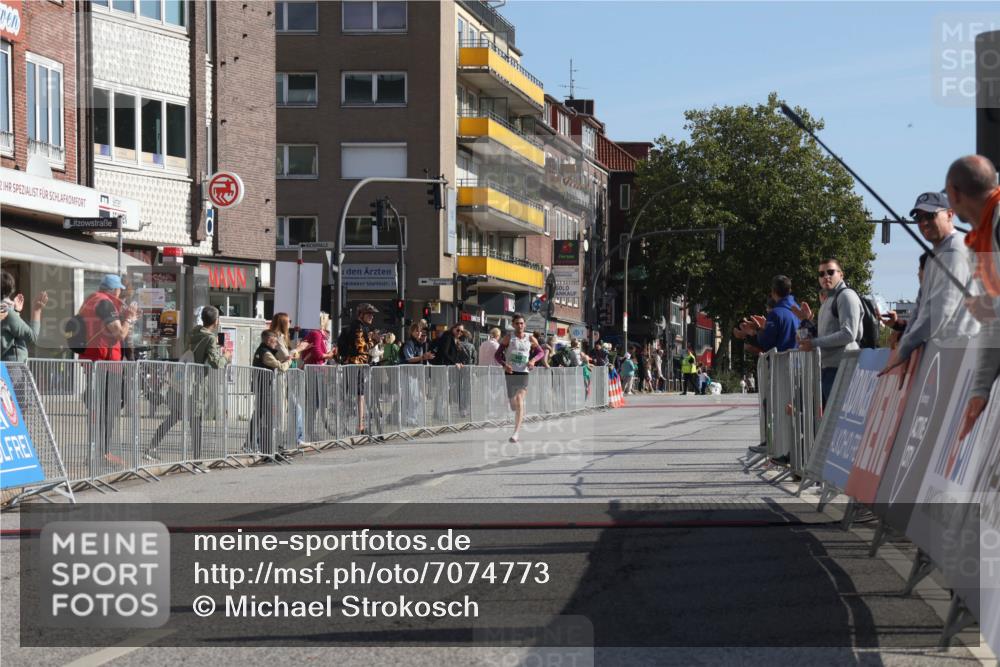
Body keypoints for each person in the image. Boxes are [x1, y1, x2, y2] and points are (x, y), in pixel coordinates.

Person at [881, 192, 980, 379]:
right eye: (919, 218)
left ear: (950, 214)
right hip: (947, 355)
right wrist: (905, 342)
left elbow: (939, 311)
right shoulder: (935, 254)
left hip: (962, 357)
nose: (924, 222)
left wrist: (904, 349)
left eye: (930, 215)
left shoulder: (954, 251)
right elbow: (920, 307)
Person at [944, 156, 1000, 439]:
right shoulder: (984, 236)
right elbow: (993, 324)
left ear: (954, 193)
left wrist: (992, 308)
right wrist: (980, 390)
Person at [145, 306, 230, 461]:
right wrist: (226, 356)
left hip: (182, 380)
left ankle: (151, 447)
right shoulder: (210, 338)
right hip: (195, 384)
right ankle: (197, 460)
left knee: (174, 416)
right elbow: (216, 363)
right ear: (216, 321)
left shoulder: (192, 333)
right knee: (196, 420)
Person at [796, 259, 863, 407]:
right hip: (830, 369)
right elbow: (826, 333)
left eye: (830, 272)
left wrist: (813, 343)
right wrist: (806, 324)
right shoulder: (828, 300)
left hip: (842, 369)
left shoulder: (846, 296)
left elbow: (848, 334)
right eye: (821, 274)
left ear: (841, 274)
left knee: (837, 416)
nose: (826, 276)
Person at [494, 313, 545, 443]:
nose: (520, 325)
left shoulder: (530, 338)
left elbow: (541, 352)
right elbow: (497, 355)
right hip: (511, 372)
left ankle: (516, 433)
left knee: (519, 400)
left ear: (525, 325)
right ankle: (517, 409)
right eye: (517, 323)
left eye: (522, 323)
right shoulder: (508, 338)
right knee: (513, 404)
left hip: (523, 372)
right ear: (513, 325)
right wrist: (504, 365)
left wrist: (533, 360)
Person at [78, 274, 140, 362]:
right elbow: (120, 334)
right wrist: (129, 318)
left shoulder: (91, 299)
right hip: (104, 359)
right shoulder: (105, 303)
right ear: (114, 290)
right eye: (120, 289)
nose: (120, 292)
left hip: (89, 356)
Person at [338, 303, 378, 434]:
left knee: (357, 395)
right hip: (355, 364)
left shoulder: (359, 326)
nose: (372, 316)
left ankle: (357, 425)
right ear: (361, 314)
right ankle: (359, 426)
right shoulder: (358, 327)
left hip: (355, 364)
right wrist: (375, 341)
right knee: (359, 395)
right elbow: (360, 348)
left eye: (372, 314)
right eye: (369, 314)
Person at [736, 276, 801, 353]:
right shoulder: (799, 311)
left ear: (773, 291)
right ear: (790, 290)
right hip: (798, 359)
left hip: (780, 359)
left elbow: (766, 344)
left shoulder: (775, 313)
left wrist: (755, 331)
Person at [1, 270, 47, 362]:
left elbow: (9, 332)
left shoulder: (5, 311)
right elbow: (32, 337)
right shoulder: (6, 312)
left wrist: (16, 311)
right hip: (12, 367)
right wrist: (37, 310)